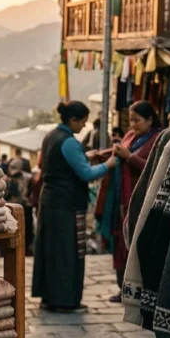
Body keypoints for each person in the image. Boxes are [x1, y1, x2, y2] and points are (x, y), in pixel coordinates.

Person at [32, 101, 118, 313]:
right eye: (82, 122)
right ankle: (65, 301)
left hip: (50, 201)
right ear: (72, 120)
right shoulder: (69, 142)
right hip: (66, 205)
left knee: (51, 251)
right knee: (67, 252)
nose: (84, 126)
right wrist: (108, 165)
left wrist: (88, 156)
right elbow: (86, 174)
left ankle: (49, 297)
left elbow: (63, 162)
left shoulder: (50, 136)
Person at [96, 101, 162, 302]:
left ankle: (142, 290)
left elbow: (156, 169)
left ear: (150, 119)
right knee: (121, 244)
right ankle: (123, 288)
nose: (133, 125)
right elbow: (118, 155)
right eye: (131, 120)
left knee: (138, 243)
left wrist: (131, 157)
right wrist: (100, 156)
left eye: (137, 120)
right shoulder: (131, 136)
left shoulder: (158, 139)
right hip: (122, 199)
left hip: (142, 199)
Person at [4, 158, 35, 256]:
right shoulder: (6, 179)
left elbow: (31, 192)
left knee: (26, 232)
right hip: (10, 208)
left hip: (25, 207)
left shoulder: (28, 178)